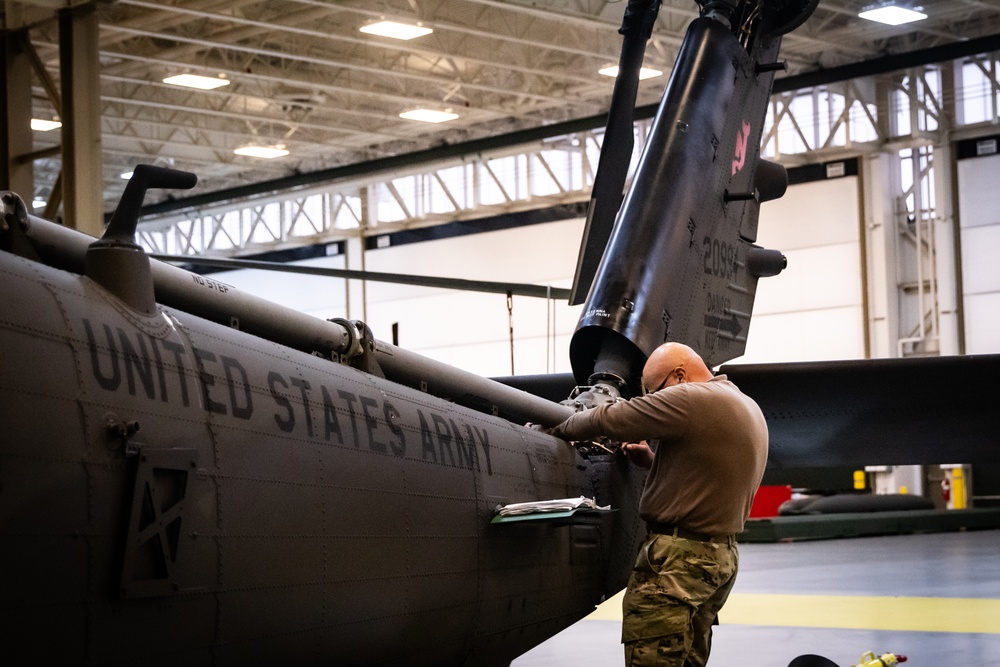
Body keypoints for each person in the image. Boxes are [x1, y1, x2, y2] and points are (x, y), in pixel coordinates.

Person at [542, 341, 768, 667]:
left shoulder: (692, 397)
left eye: (654, 393)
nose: (654, 401)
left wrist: (559, 424)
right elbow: (710, 473)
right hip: (719, 558)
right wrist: (651, 460)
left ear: (678, 375)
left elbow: (612, 417)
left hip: (677, 562)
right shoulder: (743, 402)